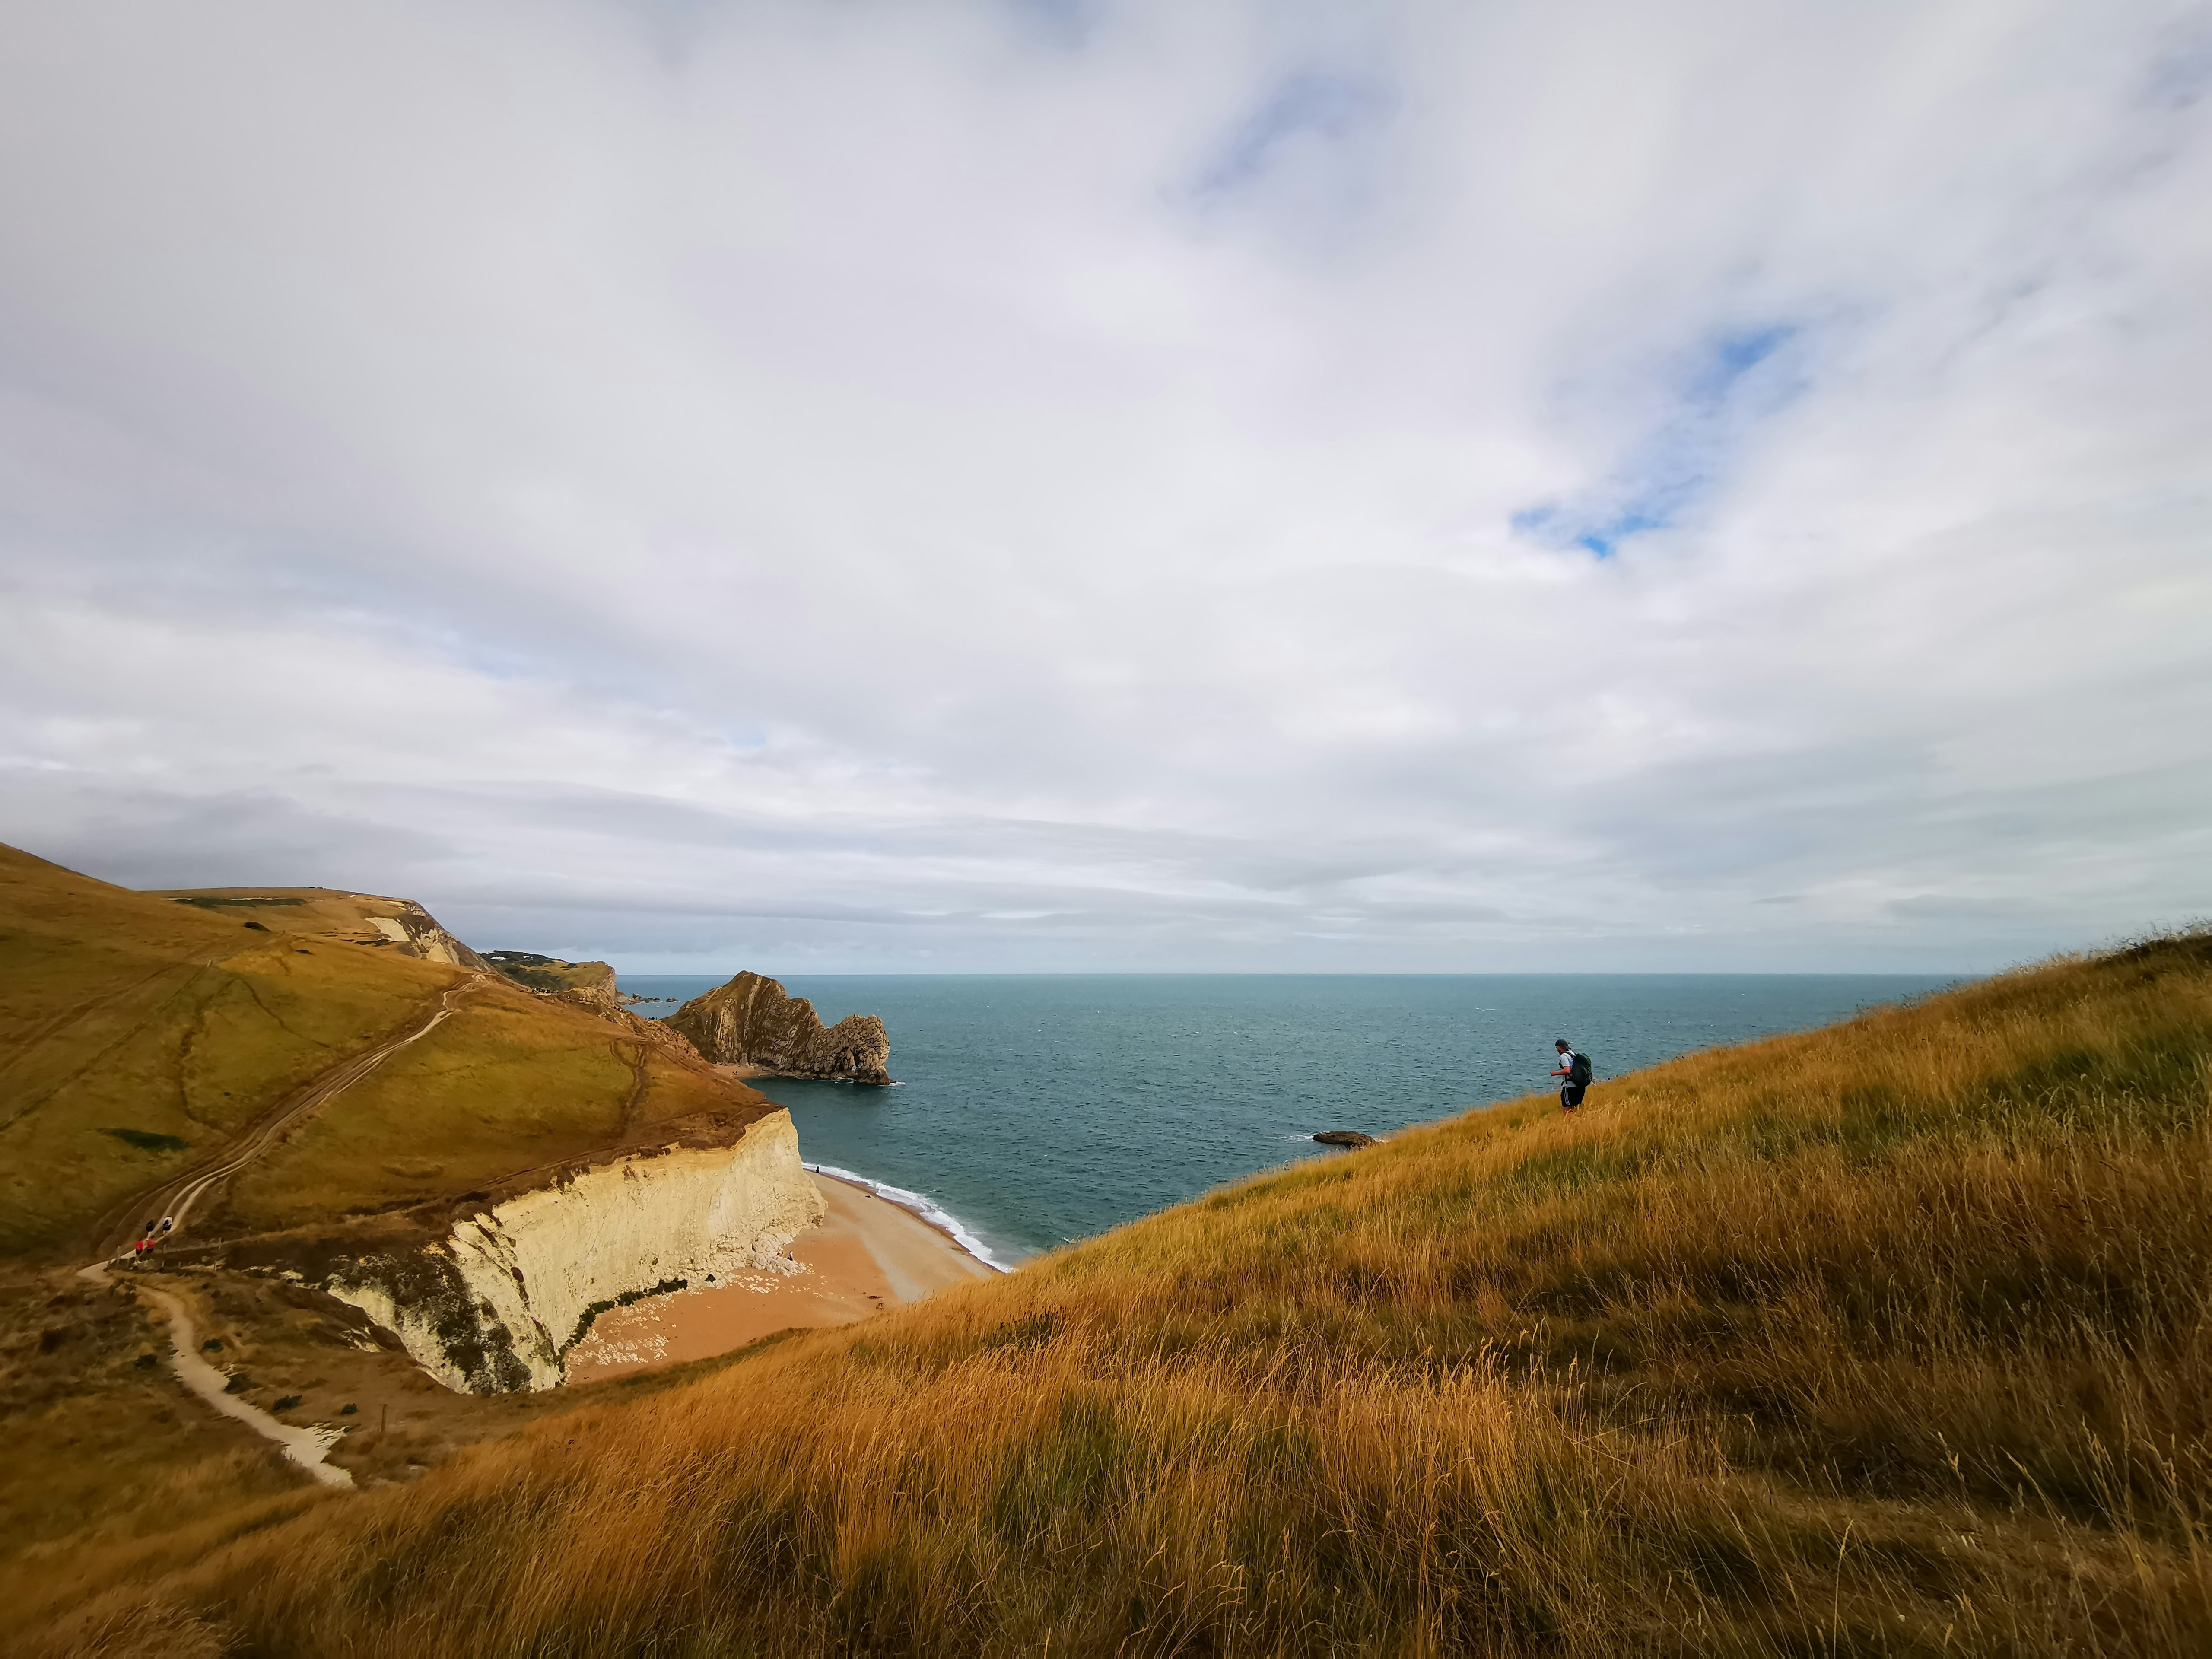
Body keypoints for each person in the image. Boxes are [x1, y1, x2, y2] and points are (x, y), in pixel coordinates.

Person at [1550, 1039, 1591, 1113]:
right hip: (1580, 1086)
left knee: (1567, 1108)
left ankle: (1569, 1123)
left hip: (1570, 1087)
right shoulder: (1573, 1054)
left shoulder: (1564, 1056)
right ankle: (1578, 1123)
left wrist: (1555, 1073)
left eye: (1557, 1048)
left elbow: (1567, 1070)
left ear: (1559, 1048)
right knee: (1576, 1109)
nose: (1557, 1050)